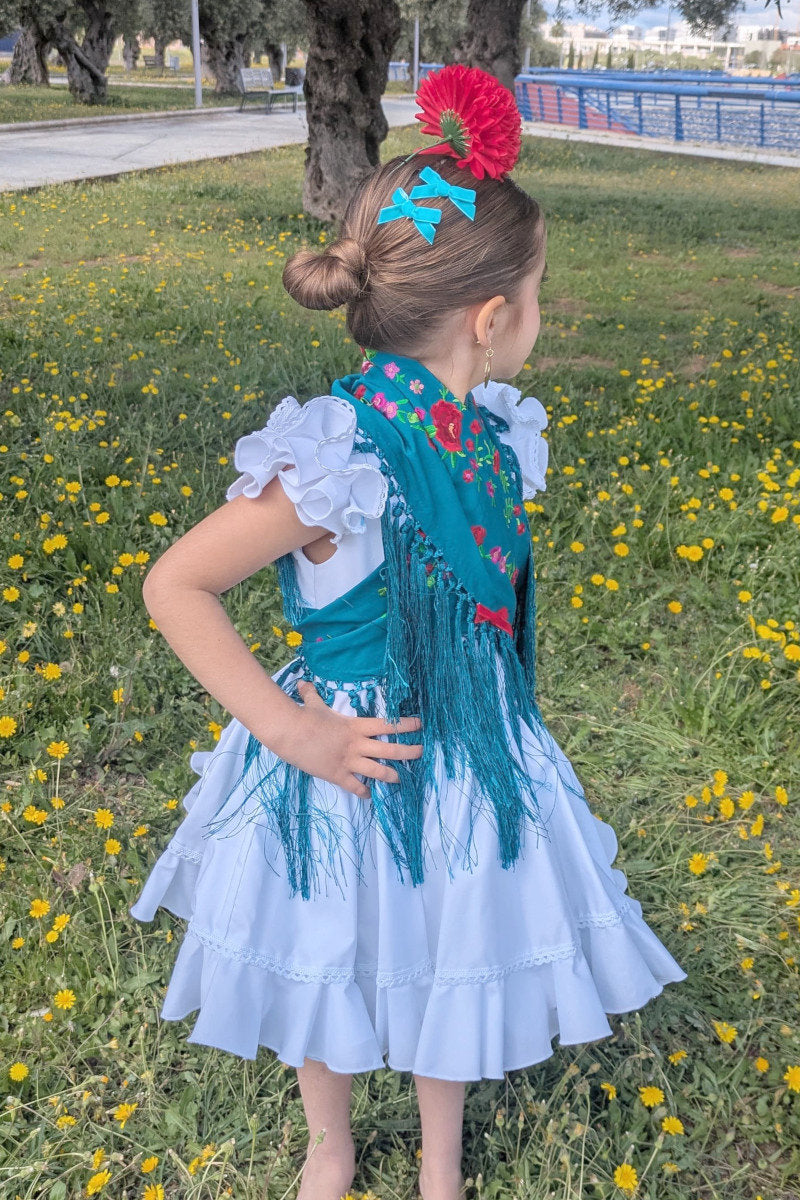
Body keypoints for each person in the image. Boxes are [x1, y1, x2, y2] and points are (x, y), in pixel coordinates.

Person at [130, 64, 688, 1200]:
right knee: (327, 955)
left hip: (465, 747)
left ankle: (439, 1155)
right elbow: (176, 584)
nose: (540, 317)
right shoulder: (333, 455)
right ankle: (328, 1140)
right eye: (538, 297)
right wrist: (291, 733)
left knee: (453, 947)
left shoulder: (486, 432)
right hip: (346, 756)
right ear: (491, 319)